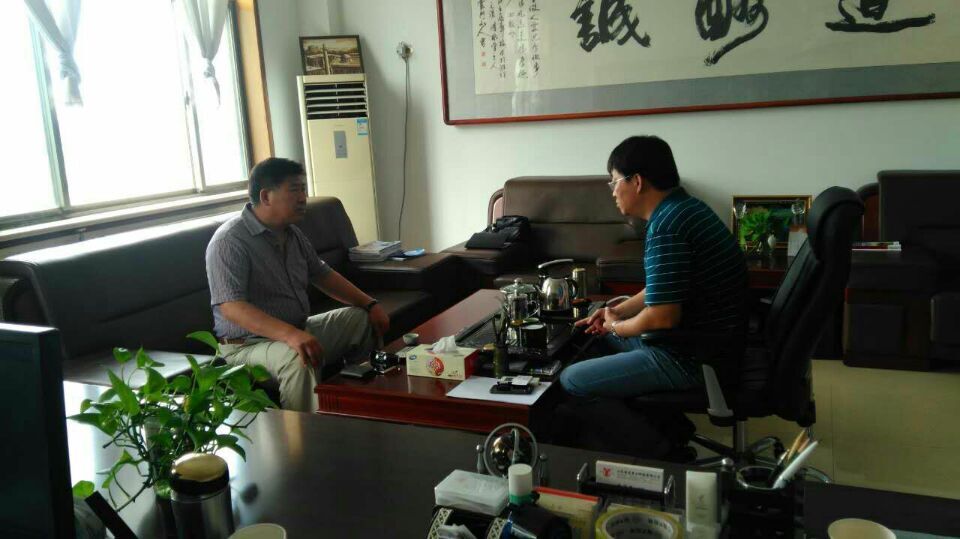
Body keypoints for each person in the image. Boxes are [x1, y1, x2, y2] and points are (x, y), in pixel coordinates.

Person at [561, 135, 747, 401]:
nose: (613, 192)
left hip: (691, 359)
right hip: (710, 344)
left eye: (614, 182)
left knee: (571, 379)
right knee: (590, 337)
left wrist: (616, 327)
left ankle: (655, 430)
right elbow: (662, 290)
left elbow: (662, 317)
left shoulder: (666, 227)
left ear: (636, 182)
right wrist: (616, 312)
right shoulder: (685, 208)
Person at [205, 158, 389, 412]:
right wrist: (290, 335)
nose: (303, 197)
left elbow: (322, 274)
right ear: (266, 196)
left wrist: (369, 304)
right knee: (298, 357)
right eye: (294, 190)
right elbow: (232, 307)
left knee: (360, 320)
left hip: (297, 329)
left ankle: (357, 404)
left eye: (304, 189)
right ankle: (305, 433)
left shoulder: (292, 233)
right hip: (247, 347)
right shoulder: (229, 241)